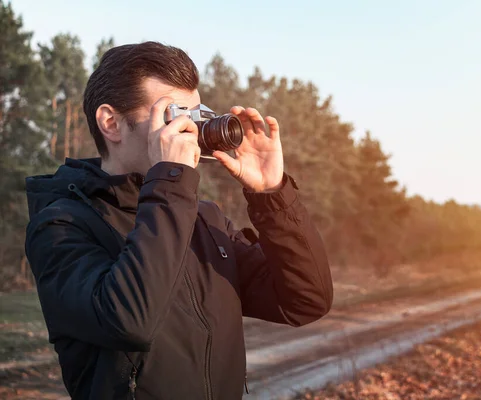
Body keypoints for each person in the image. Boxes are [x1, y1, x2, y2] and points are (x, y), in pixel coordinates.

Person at [24, 41, 333, 400]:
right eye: (173, 115)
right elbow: (129, 321)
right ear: (111, 123)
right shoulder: (62, 224)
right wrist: (171, 179)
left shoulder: (204, 219)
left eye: (196, 114)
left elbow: (306, 300)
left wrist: (272, 194)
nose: (190, 130)